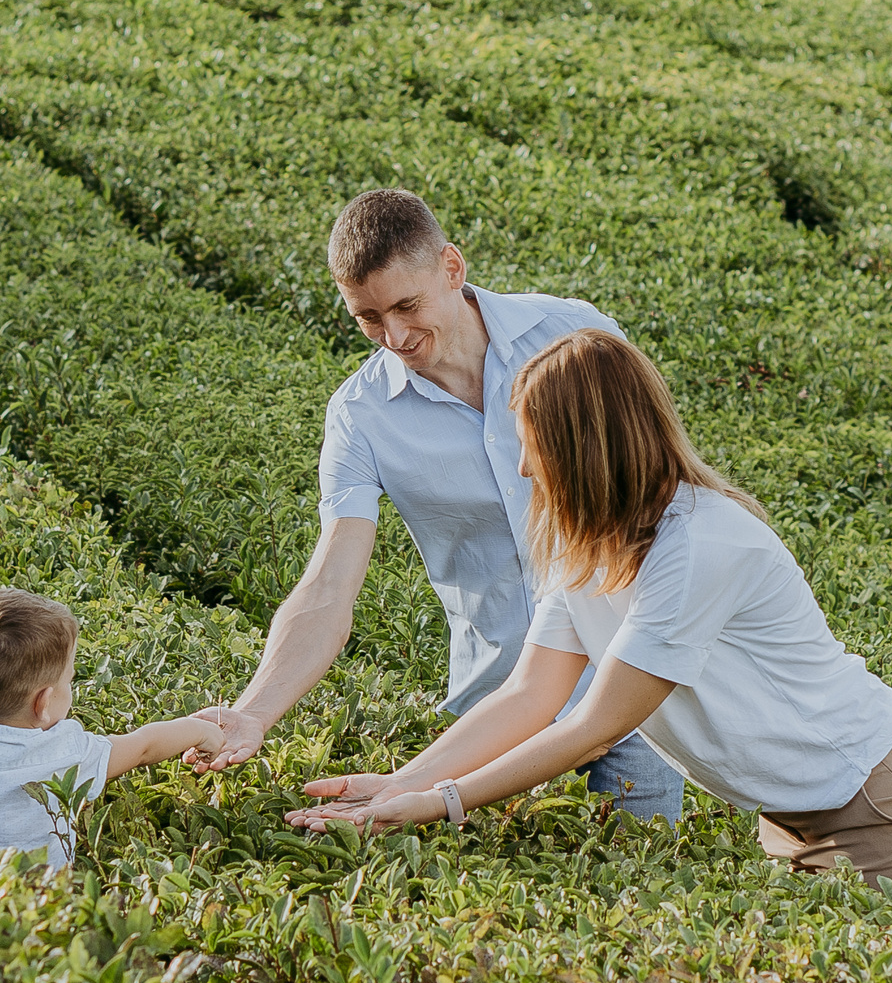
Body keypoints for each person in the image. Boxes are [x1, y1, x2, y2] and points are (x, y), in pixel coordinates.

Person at [288, 330, 892, 894]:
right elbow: (529, 696)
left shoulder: (699, 545)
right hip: (791, 810)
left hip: (880, 800)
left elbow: (593, 726)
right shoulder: (586, 548)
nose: (523, 466)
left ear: (585, 450)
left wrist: (442, 802)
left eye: (533, 443)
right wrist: (402, 783)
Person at [193, 189, 685, 820]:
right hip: (497, 709)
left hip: (626, 693)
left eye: (406, 305)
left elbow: (661, 494)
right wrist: (254, 711)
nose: (393, 336)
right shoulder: (361, 416)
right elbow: (329, 585)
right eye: (367, 318)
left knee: (648, 899)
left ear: (452, 268)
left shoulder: (573, 334)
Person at [0, 588, 227, 866]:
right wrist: (200, 731)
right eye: (69, 679)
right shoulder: (66, 752)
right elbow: (144, 746)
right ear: (43, 703)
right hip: (42, 916)